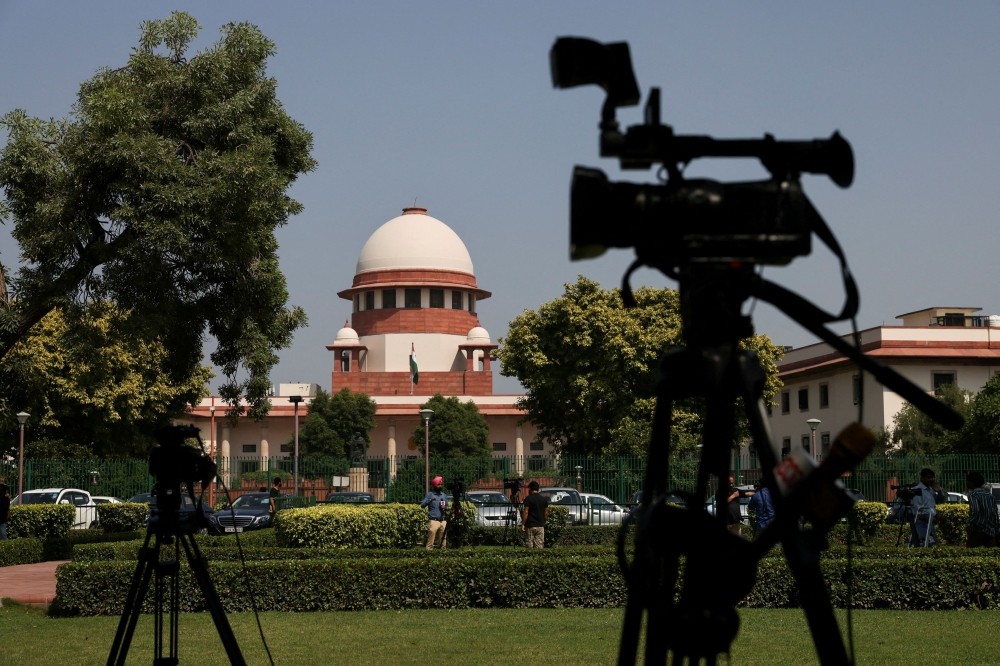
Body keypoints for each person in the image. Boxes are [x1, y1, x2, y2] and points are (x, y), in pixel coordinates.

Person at [910, 468, 946, 546]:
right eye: (928, 477)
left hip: (930, 522)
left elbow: (940, 501)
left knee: (932, 545)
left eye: (932, 477)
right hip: (920, 523)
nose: (931, 479)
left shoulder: (930, 490)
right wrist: (935, 515)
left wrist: (939, 491)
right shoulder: (917, 490)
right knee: (925, 545)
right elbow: (918, 510)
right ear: (922, 478)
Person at [965, 471, 999, 548]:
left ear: (972, 482)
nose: (966, 483)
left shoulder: (973, 494)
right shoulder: (990, 496)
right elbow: (995, 513)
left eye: (967, 481)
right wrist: (995, 528)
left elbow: (975, 510)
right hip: (990, 531)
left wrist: (969, 524)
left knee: (973, 555)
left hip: (977, 531)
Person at [420, 476, 448, 550]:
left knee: (443, 543)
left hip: (443, 521)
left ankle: (443, 557)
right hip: (433, 521)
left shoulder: (444, 495)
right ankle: (429, 557)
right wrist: (430, 500)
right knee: (430, 543)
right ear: (435, 485)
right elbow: (422, 505)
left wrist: (445, 507)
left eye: (441, 484)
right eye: (438, 484)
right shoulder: (430, 494)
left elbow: (447, 507)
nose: (440, 486)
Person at [521, 480, 549, 548]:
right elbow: (545, 513)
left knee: (529, 545)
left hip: (530, 525)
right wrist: (544, 521)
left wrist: (523, 524)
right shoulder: (544, 500)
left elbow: (526, 512)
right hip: (540, 525)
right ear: (538, 489)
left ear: (530, 489)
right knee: (539, 547)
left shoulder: (528, 499)